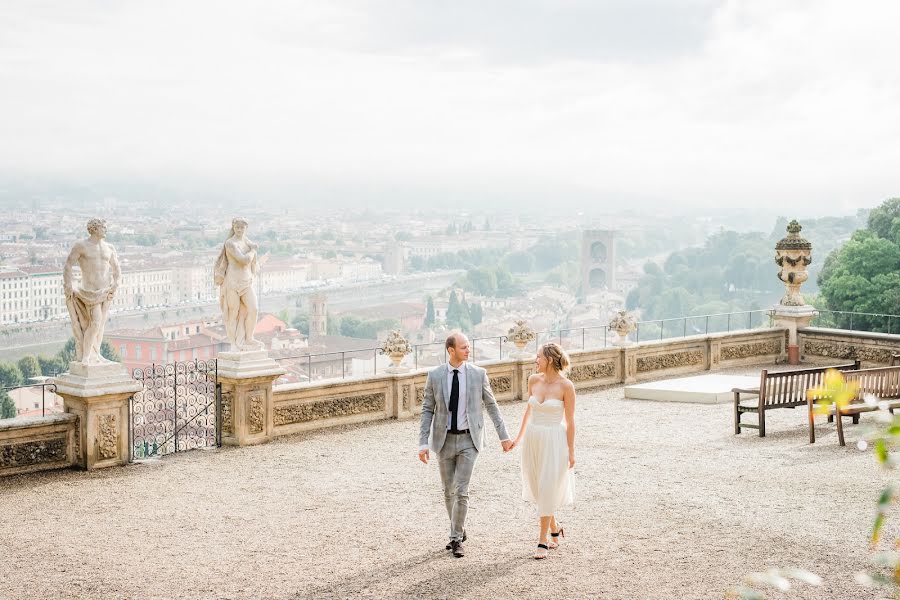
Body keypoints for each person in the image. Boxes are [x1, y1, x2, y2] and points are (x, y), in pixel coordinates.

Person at [418, 333, 513, 558]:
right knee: (448, 491)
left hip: (470, 440)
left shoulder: (479, 375)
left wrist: (504, 436)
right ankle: (459, 525)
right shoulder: (435, 375)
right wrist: (422, 443)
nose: (468, 350)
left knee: (461, 491)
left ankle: (455, 538)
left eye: (469, 347)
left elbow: (492, 405)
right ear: (451, 350)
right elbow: (427, 409)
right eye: (463, 347)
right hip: (443, 440)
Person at [510, 342, 576, 559]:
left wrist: (571, 452)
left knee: (548, 485)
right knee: (538, 487)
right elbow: (528, 411)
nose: (535, 360)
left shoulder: (566, 386)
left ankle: (542, 540)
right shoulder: (533, 380)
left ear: (549, 359)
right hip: (533, 438)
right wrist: (517, 439)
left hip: (554, 440)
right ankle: (555, 527)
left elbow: (570, 421)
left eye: (538, 357)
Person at [63, 218, 120, 366]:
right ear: (94, 229)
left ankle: (96, 354)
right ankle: (86, 357)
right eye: (103, 227)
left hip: (105, 292)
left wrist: (116, 284)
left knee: (99, 325)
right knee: (95, 323)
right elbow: (68, 265)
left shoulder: (110, 248)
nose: (106, 230)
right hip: (88, 292)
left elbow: (117, 270)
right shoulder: (81, 246)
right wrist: (68, 284)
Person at [214, 218, 263, 351]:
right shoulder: (230, 243)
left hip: (246, 281)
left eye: (242, 227)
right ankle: (234, 344)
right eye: (237, 227)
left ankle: (249, 338)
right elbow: (243, 260)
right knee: (233, 314)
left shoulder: (246, 241)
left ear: (246, 228)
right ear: (233, 228)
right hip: (232, 282)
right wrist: (253, 250)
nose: (239, 230)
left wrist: (252, 247)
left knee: (254, 309)